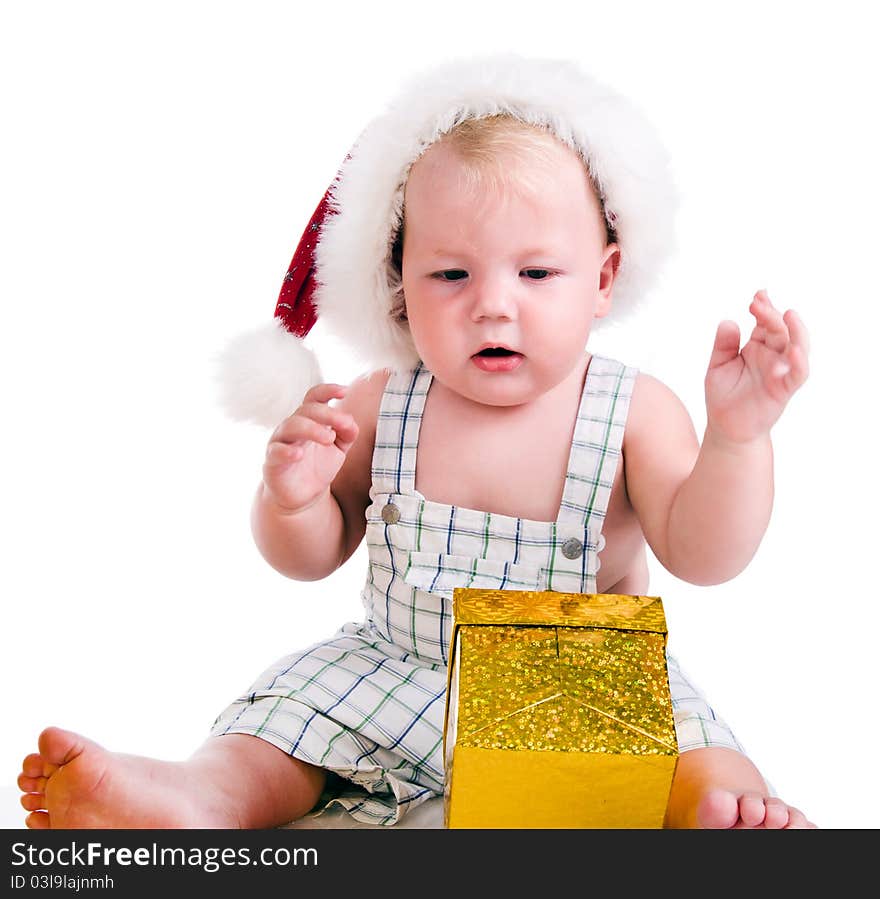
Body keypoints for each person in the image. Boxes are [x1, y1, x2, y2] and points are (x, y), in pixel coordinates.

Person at [18, 54, 814, 829]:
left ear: (603, 279)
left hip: (583, 684)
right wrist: (291, 498)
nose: (493, 305)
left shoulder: (633, 410)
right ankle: (201, 799)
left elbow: (706, 556)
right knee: (281, 725)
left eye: (536, 273)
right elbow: (312, 555)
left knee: (689, 746)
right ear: (399, 284)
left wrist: (738, 440)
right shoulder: (382, 402)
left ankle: (721, 814)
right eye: (450, 275)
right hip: (393, 671)